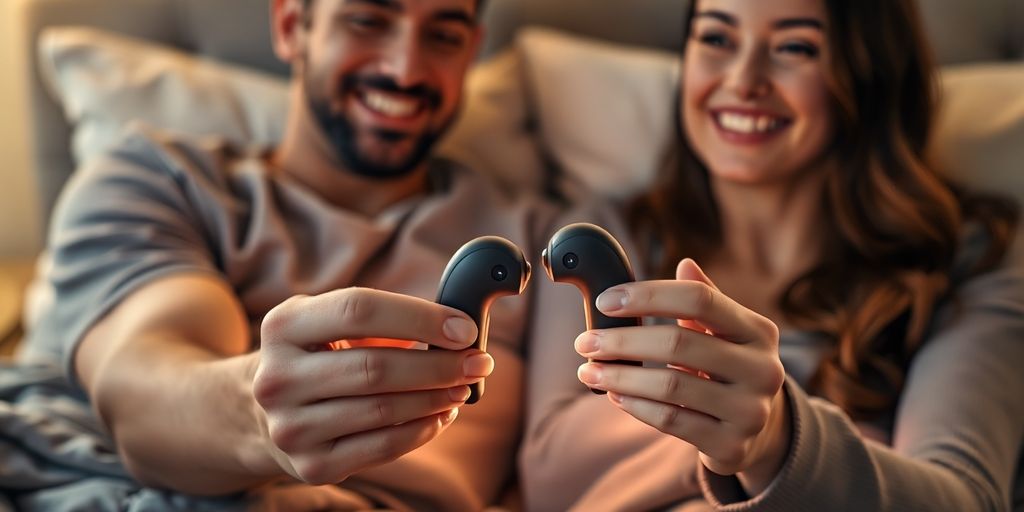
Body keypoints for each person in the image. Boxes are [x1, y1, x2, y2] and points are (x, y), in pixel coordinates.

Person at [17, 0, 553, 509]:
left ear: (472, 49)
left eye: (443, 36)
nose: (405, 69)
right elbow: (142, 379)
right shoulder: (157, 179)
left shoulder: (542, 236)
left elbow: (580, 447)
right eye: (368, 20)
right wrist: (256, 415)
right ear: (293, 25)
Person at [520, 0, 1023, 510]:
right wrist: (761, 443)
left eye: (794, 47)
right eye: (717, 39)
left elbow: (966, 498)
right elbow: (551, 474)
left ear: (870, 70)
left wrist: (780, 439)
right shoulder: (604, 236)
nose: (744, 80)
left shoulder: (971, 258)